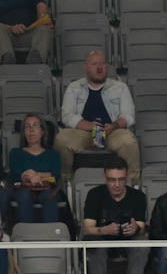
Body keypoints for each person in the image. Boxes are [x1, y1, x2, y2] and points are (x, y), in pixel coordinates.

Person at [56, 50, 140, 179]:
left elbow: (129, 116)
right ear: (86, 67)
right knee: (62, 139)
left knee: (128, 141)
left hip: (112, 131)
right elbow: (67, 116)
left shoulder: (120, 87)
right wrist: (91, 126)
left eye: (102, 64)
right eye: (95, 64)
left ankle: (133, 182)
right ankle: (64, 181)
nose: (99, 68)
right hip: (84, 131)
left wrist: (114, 125)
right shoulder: (74, 87)